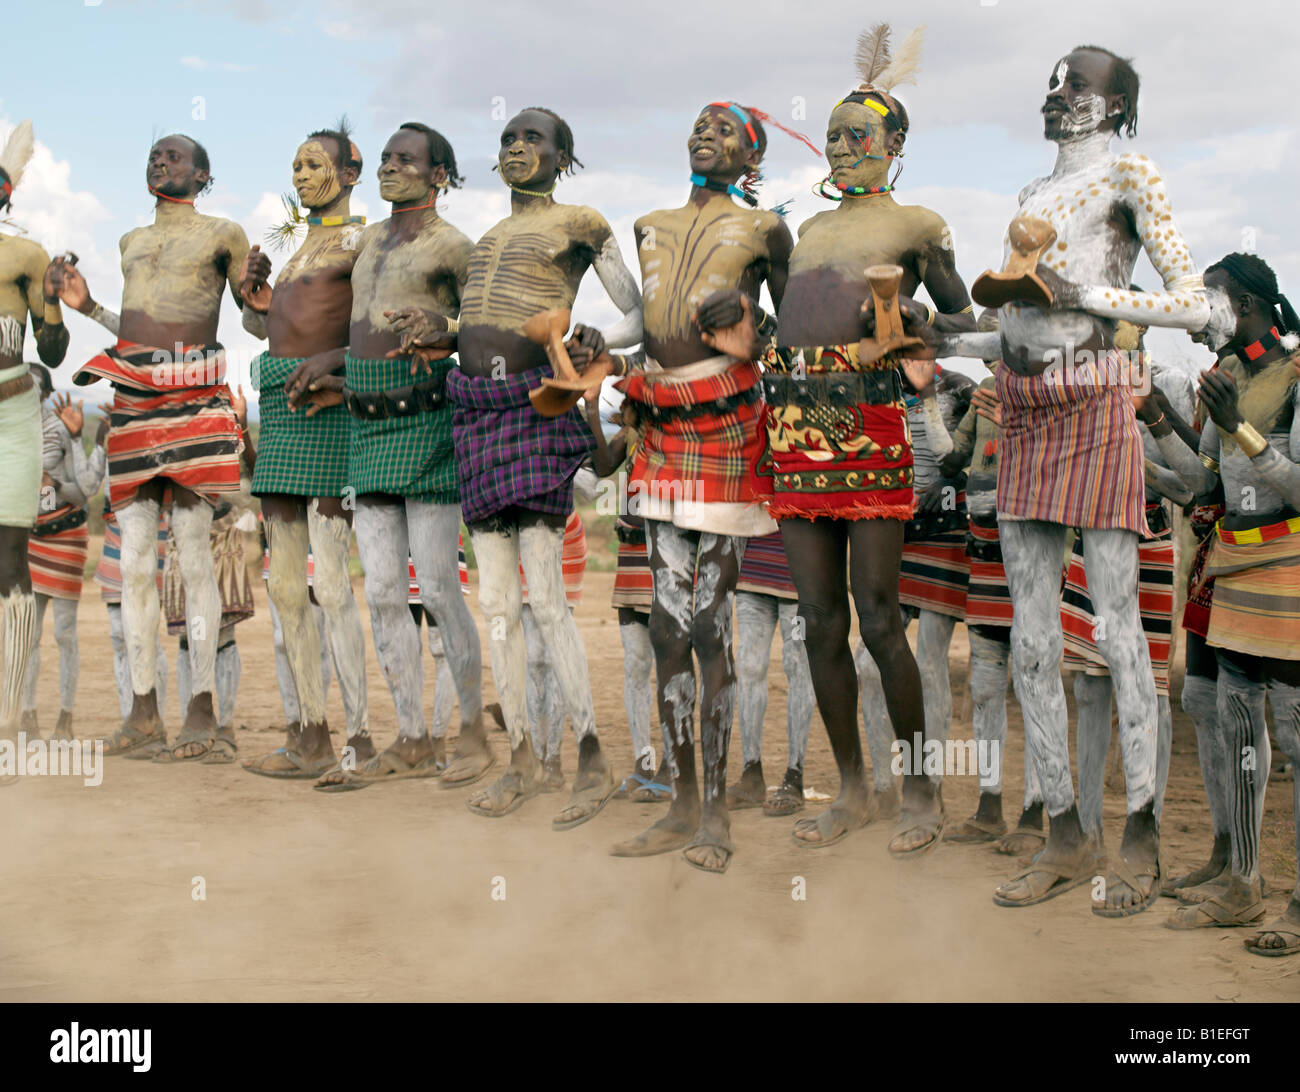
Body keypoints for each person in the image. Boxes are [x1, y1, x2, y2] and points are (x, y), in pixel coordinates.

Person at [927, 45, 1215, 915]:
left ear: (1118, 105)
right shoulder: (1028, 199)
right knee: (1035, 637)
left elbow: (1192, 303)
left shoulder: (1133, 172)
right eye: (1054, 83)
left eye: (1078, 84)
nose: (1058, 96)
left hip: (1095, 408)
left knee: (1122, 632)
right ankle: (1063, 830)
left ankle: (1143, 834)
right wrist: (941, 337)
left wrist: (1083, 291)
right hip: (1020, 410)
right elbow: (1015, 327)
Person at [762, 26, 975, 856]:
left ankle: (919, 793)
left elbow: (963, 318)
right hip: (792, 418)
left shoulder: (918, 223)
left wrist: (919, 319)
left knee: (879, 616)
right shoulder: (810, 233)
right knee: (818, 621)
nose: (845, 147)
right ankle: (852, 788)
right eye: (836, 134)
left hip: (867, 417)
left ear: (895, 148)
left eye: (862, 136)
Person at [442, 107, 641, 827]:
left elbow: (639, 318)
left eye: (534, 138)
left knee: (547, 598)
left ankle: (590, 757)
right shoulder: (486, 240)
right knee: (496, 605)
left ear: (565, 155)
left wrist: (595, 340)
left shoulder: (581, 223)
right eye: (507, 138)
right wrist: (445, 331)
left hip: (537, 407)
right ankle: (525, 757)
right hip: (474, 411)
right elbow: (473, 324)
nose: (518, 146)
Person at [288, 122, 490, 791]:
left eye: (408, 159)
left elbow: (486, 334)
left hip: (429, 425)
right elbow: (367, 338)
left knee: (435, 587)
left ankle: (470, 731)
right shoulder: (370, 240)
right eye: (385, 157)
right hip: (367, 428)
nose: (390, 166)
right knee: (379, 591)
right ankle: (410, 738)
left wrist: (451, 329)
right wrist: (329, 359)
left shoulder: (456, 247)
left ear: (440, 176)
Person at [61, 133, 251, 763]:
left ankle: (201, 711)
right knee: (136, 559)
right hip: (136, 399)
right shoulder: (129, 243)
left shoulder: (225, 234)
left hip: (195, 397)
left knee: (193, 557)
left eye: (174, 156)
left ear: (202, 175)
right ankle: (143, 712)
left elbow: (253, 317)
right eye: (154, 154)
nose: (160, 161)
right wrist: (87, 306)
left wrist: (259, 292)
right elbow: (140, 329)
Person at [1141, 252, 1300, 955]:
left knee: (1293, 738)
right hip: (1234, 561)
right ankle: (1243, 881)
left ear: (1252, 303)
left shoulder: (1295, 374)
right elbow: (1202, 485)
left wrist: (1237, 428)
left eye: (1214, 299)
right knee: (1236, 727)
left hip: (1289, 565)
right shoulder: (1227, 378)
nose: (1201, 312)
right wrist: (1151, 424)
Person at [238, 123, 372, 778]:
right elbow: (277, 327)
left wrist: (336, 363)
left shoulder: (363, 241)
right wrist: (255, 303)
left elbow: (373, 330)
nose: (300, 174)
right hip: (283, 418)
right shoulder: (294, 247)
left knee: (331, 583)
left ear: (351, 171)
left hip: (330, 418)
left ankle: (364, 739)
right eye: (294, 164)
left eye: (314, 163)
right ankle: (310, 735)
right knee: (287, 586)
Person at [0, 119, 70, 781]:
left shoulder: (24, 257)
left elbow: (53, 353)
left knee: (9, 561)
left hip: (15, 416)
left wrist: (49, 304)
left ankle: (6, 722)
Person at [21, 370, 103, 740]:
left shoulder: (60, 428)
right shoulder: (10, 430)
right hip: (28, 538)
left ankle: (66, 719)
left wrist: (54, 482)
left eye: (32, 384)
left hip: (66, 535)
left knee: (65, 633)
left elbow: (84, 489)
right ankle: (27, 715)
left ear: (45, 393)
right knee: (27, 633)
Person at [727, 530, 815, 816]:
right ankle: (751, 772)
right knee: (749, 665)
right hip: (752, 566)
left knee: (798, 664)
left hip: (804, 570)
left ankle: (795, 774)